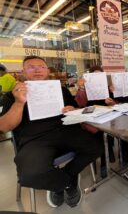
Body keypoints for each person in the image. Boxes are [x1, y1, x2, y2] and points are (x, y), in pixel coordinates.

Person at [0, 56, 103, 208]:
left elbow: (76, 110)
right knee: (29, 175)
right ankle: (66, 183)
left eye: (41, 67)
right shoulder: (11, 95)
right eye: (31, 67)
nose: (36, 70)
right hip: (34, 140)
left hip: (66, 131)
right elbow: (4, 127)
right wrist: (19, 103)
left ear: (47, 70)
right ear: (23, 72)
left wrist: (72, 109)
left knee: (97, 147)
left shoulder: (60, 90)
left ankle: (64, 179)